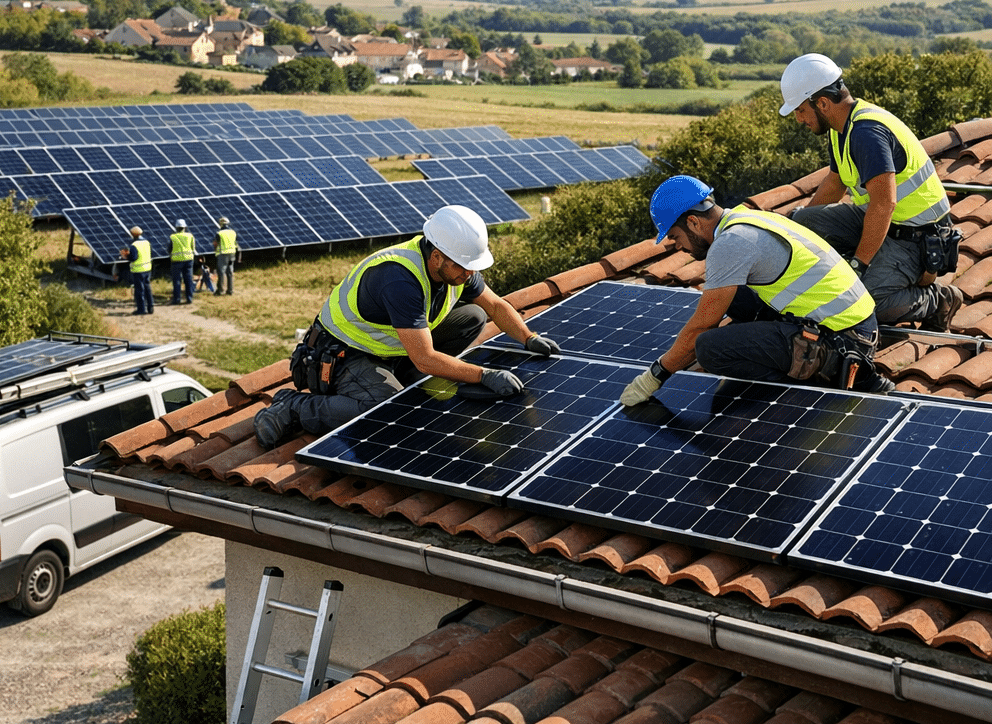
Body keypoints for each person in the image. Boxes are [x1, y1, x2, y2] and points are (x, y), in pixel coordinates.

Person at [254, 205, 561, 449]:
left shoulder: (456, 267)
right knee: (382, 410)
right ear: (437, 256)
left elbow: (495, 306)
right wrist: (483, 375)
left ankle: (407, 379)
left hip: (393, 349)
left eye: (472, 267)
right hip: (344, 355)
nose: (468, 274)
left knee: (473, 317)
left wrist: (528, 337)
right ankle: (293, 407)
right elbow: (425, 357)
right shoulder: (401, 278)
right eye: (462, 267)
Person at [619, 176, 892, 408]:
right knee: (733, 296)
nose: (678, 247)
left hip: (845, 343)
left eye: (675, 237)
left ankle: (808, 393)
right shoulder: (746, 219)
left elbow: (699, 329)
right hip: (857, 326)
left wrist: (655, 375)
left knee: (709, 347)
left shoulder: (730, 243)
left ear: (693, 222)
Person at [778, 53, 961, 330]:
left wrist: (859, 265)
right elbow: (835, 182)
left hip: (916, 238)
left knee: (865, 303)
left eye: (800, 110)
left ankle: (938, 299)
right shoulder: (840, 128)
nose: (799, 119)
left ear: (823, 103)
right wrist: (794, 230)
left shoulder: (867, 133)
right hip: (883, 224)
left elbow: (884, 204)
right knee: (803, 221)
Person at [119, 225, 154, 316]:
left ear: (133, 235)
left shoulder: (134, 245)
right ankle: (151, 307)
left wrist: (126, 256)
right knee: (147, 289)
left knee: (139, 291)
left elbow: (133, 258)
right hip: (147, 268)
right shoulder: (147, 242)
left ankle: (141, 310)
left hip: (138, 270)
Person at [167, 219, 196, 305]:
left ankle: (177, 299)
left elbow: (169, 249)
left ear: (176, 228)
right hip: (188, 260)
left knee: (176, 280)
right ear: (185, 227)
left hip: (176, 261)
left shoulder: (173, 237)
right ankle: (189, 298)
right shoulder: (190, 236)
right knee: (188, 280)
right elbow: (193, 247)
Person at [213, 217, 239, 296]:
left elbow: (215, 243)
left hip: (222, 254)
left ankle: (220, 290)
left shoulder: (219, 233)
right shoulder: (233, 232)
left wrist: (215, 249)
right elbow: (236, 243)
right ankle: (230, 290)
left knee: (221, 272)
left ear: (220, 224)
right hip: (232, 254)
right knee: (230, 272)